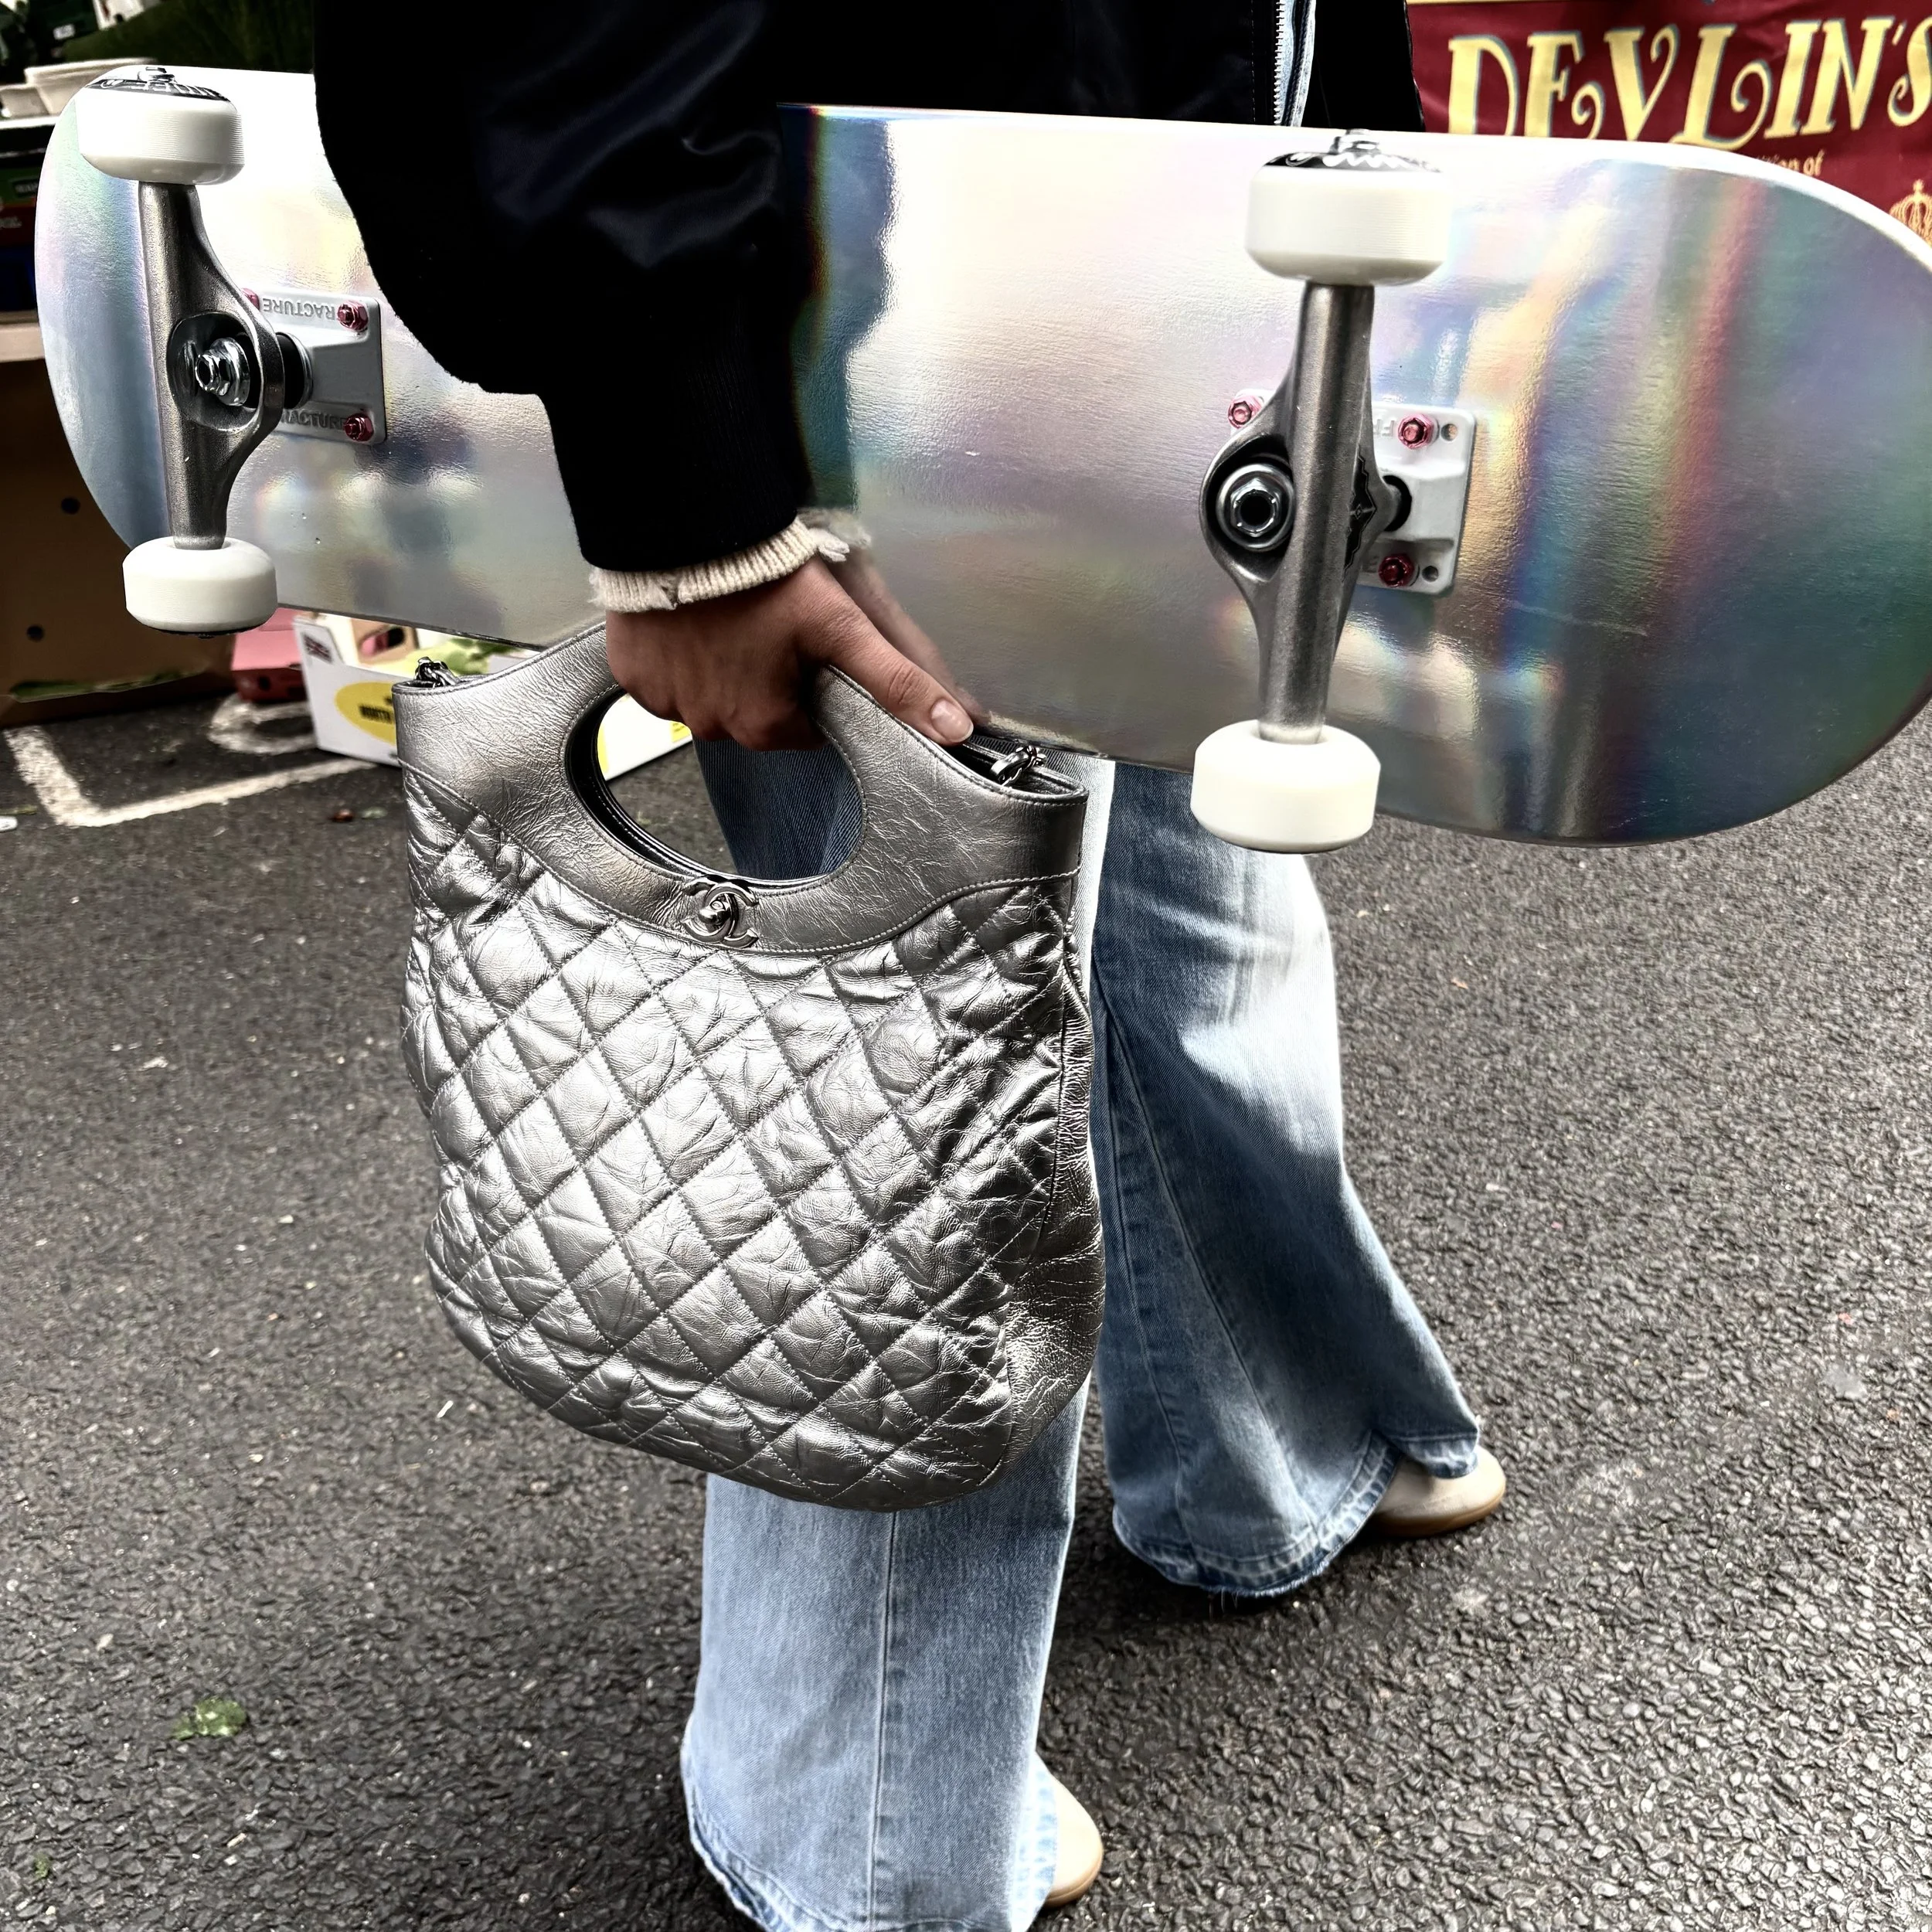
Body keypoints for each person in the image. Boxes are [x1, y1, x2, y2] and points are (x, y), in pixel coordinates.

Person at [317, 5, 1505, 1923]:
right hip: (866, 318)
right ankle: (855, 1818)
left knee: (1187, 939)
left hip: (1190, 283)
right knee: (895, 1082)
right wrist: (686, 486)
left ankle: (1268, 1460)